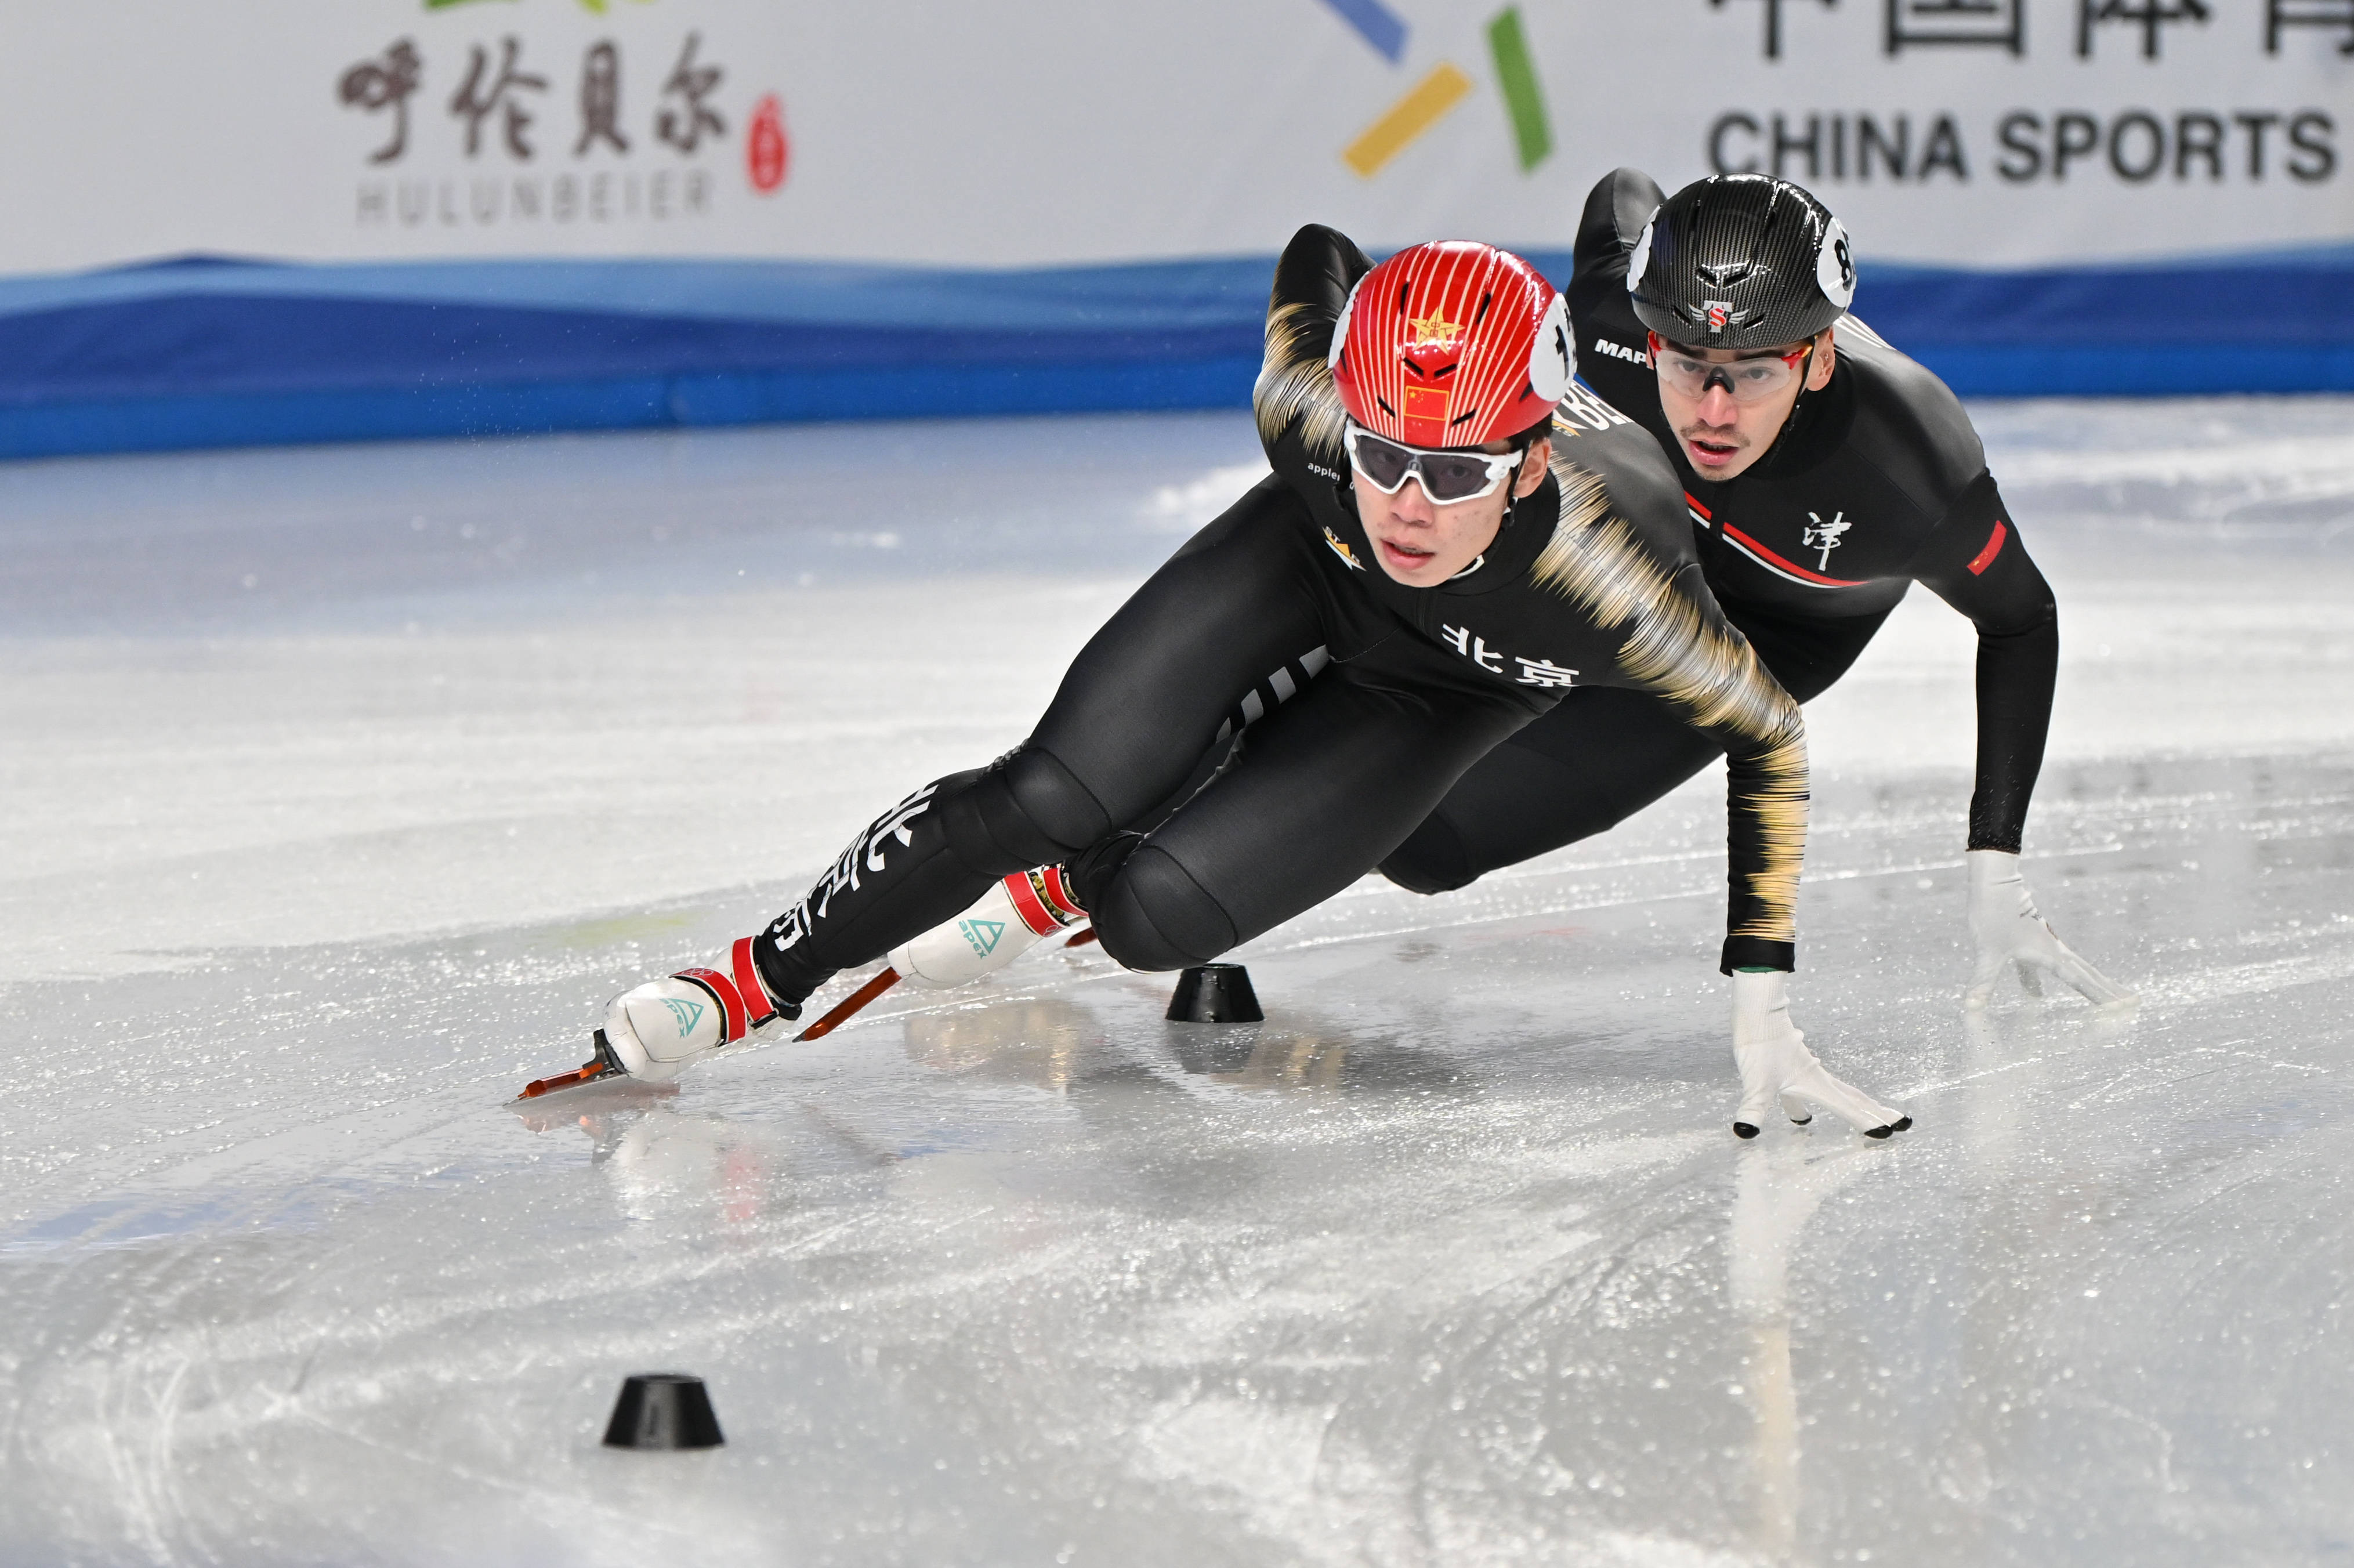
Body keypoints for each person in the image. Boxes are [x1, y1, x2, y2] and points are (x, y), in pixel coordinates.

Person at [582, 231, 1907, 1139]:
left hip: (1452, 685)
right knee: (1054, 787)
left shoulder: (1617, 584)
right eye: (1387, 456)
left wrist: (1762, 995)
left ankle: (1067, 892)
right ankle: (754, 978)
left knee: (1157, 914)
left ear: (1527, 464)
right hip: (1302, 568)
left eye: (1455, 474)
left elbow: (1770, 740)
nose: (1408, 502)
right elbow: (1319, 255)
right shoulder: (1309, 412)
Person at [1378, 171, 2131, 1011]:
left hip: (1770, 635)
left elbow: (2021, 620)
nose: (1712, 410)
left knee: (1430, 848)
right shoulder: (1607, 322)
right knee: (1355, 661)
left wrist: (1996, 868)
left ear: (1815, 361)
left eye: (1754, 373)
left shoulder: (1913, 466)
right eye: (1687, 362)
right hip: (1625, 557)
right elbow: (1621, 195)